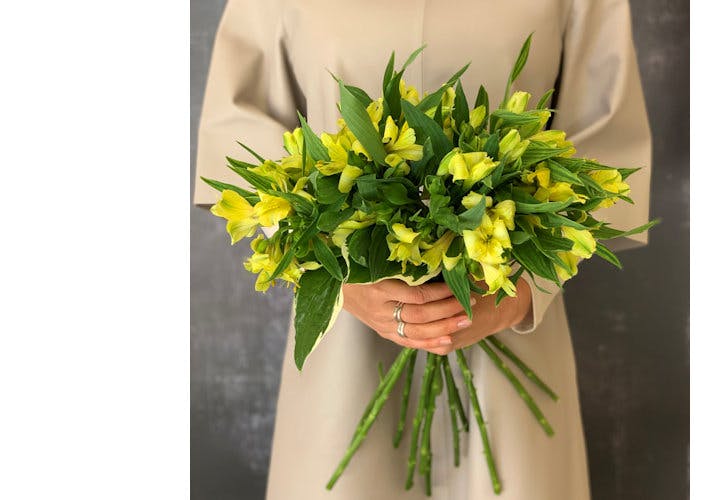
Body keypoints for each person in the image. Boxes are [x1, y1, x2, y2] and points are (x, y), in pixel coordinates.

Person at [193, 0, 652, 498]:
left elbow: (607, 141)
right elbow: (237, 128)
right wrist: (336, 280)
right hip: (344, 340)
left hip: (509, 309)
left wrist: (523, 293)